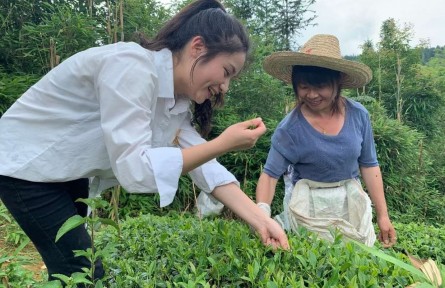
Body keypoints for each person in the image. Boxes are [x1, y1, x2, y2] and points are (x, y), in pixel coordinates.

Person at [0, 0, 289, 282]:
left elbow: (205, 166)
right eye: (227, 72)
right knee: (83, 272)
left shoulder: (174, 102)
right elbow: (135, 171)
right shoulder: (131, 66)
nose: (224, 86)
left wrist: (262, 221)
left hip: (64, 171)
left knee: (74, 271)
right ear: (197, 47)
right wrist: (224, 142)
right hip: (24, 163)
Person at [255, 34, 396, 248]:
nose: (311, 94)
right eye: (303, 86)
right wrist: (262, 216)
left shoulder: (358, 115)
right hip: (308, 206)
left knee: (356, 257)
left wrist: (383, 215)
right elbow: (269, 176)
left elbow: (369, 165)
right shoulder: (290, 129)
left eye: (320, 86)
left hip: (350, 201)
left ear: (337, 82)